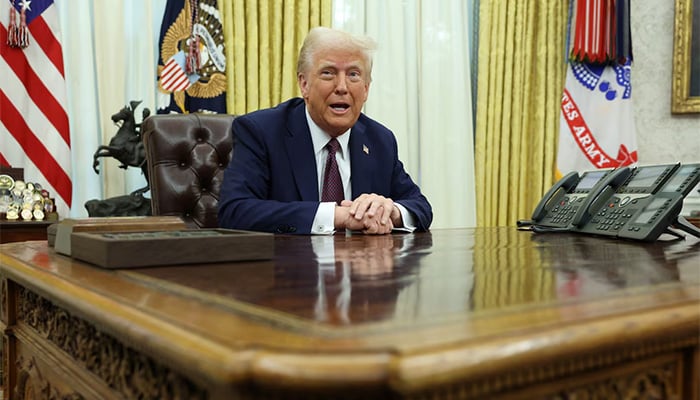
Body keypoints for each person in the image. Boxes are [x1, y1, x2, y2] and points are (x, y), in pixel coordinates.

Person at [217, 26, 432, 234]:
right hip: (289, 268)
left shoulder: (380, 140)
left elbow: (420, 207)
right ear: (304, 84)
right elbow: (235, 212)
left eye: (354, 75)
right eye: (328, 73)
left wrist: (389, 212)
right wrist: (337, 216)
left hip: (362, 267)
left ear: (366, 89)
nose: (342, 87)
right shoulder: (262, 131)